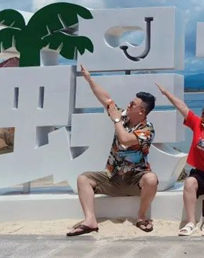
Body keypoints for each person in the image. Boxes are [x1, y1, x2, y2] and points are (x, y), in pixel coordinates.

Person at [67, 65, 158, 236]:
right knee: (83, 179)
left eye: (133, 104)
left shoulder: (147, 129)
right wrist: (89, 79)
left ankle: (141, 216)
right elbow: (106, 99)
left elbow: (125, 139)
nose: (128, 105)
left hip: (136, 179)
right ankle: (90, 220)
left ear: (142, 111)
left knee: (151, 179)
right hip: (113, 177)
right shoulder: (122, 117)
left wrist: (116, 120)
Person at [156, 85, 204, 237]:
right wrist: (166, 93)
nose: (202, 112)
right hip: (199, 173)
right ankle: (191, 222)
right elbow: (183, 107)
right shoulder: (198, 124)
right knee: (189, 182)